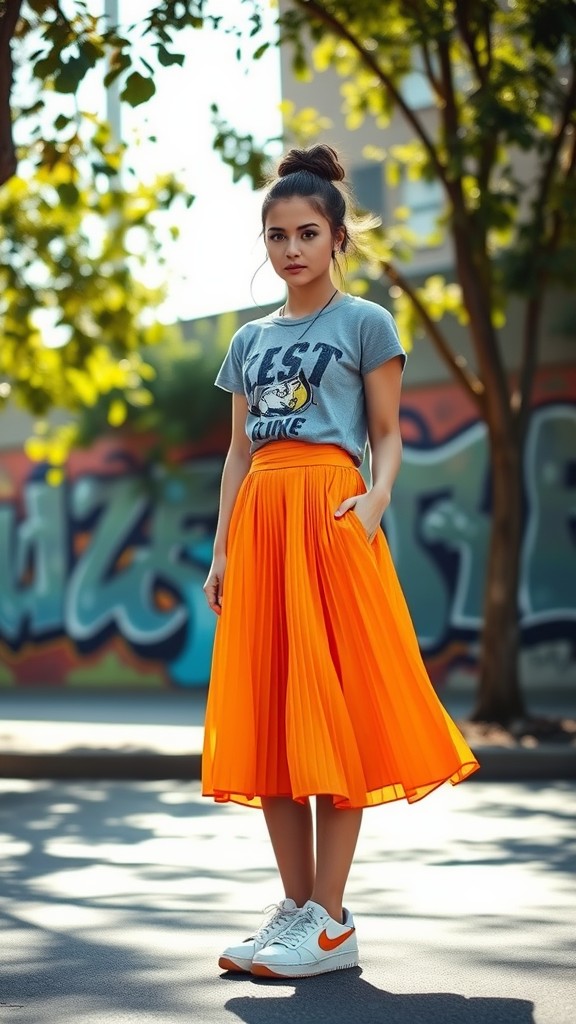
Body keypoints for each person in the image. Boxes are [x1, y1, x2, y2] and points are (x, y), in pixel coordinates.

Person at [201, 143, 480, 980]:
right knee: (269, 724)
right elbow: (238, 455)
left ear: (336, 239)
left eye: (309, 233)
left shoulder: (367, 323)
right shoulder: (248, 340)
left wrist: (375, 503)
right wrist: (221, 547)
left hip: (331, 519)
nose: (292, 249)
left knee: (333, 718)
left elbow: (388, 436)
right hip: (262, 526)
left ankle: (329, 919)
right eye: (278, 235)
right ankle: (296, 912)